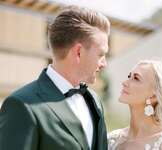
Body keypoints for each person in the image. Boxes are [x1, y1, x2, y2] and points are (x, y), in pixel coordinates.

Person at [0, 5, 110, 150]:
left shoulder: (94, 101)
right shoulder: (21, 106)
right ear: (78, 52)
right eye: (101, 54)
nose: (104, 64)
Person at [108, 59, 162, 150]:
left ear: (154, 96)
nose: (124, 83)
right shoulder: (112, 140)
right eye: (129, 76)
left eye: (136, 78)